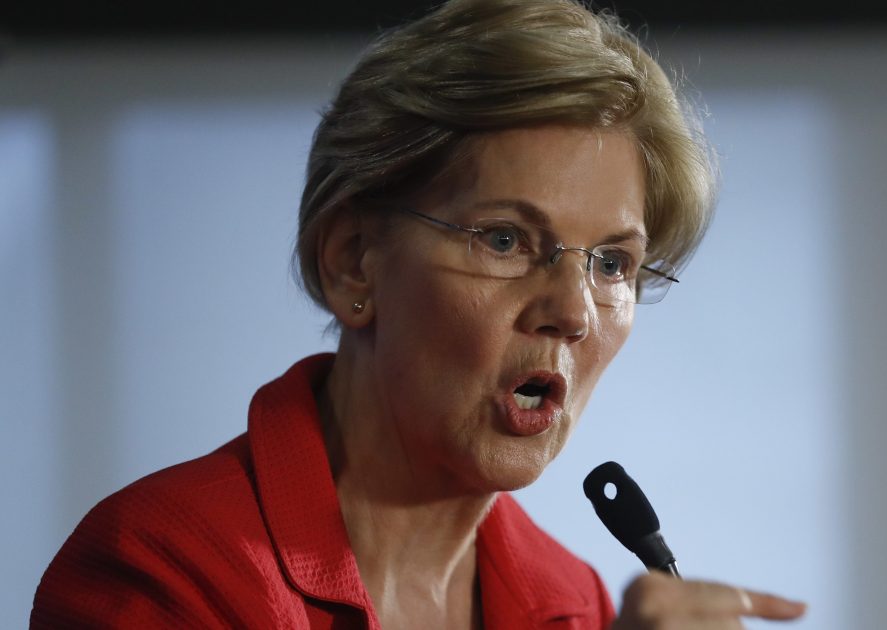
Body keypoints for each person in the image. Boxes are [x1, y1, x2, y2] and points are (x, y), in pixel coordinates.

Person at [32, 0, 808, 627]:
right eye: (506, 239)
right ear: (353, 261)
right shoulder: (164, 569)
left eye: (612, 263)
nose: (573, 312)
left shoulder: (572, 603)